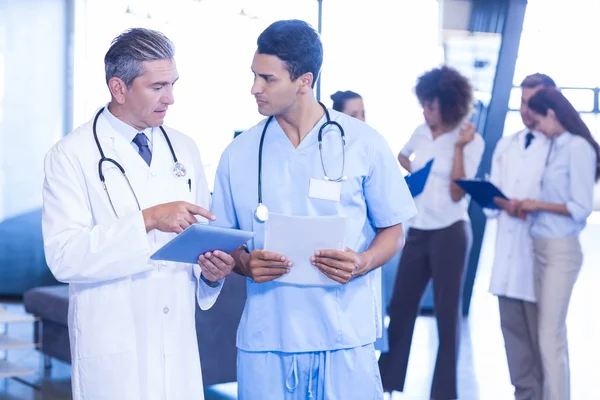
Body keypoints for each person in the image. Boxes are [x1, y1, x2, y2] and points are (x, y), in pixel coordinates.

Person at [210, 20, 417, 399]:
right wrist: (244, 263)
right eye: (254, 76)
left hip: (343, 335)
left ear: (304, 81)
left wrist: (363, 261)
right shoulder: (238, 154)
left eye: (268, 79)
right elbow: (224, 242)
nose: (254, 88)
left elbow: (394, 230)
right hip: (268, 335)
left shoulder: (364, 144)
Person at [42, 28, 235, 400]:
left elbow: (198, 241)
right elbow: (64, 258)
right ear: (119, 88)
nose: (171, 98)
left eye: (173, 84)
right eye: (158, 86)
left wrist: (211, 272)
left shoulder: (184, 149)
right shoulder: (71, 155)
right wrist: (147, 219)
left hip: (176, 347)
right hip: (114, 349)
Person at [378, 65, 485, 400]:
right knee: (400, 308)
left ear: (449, 105)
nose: (425, 110)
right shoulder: (421, 130)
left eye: (431, 105)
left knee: (447, 314)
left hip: (451, 231)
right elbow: (401, 155)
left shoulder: (470, 139)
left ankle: (444, 394)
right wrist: (417, 172)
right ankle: (387, 384)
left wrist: (456, 150)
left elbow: (457, 193)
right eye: (423, 104)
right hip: (418, 229)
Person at [516, 87, 599, 400]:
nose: (535, 128)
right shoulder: (553, 147)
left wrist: (535, 205)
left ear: (552, 113)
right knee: (547, 335)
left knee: (550, 337)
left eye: (537, 121)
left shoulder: (577, 148)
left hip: (560, 252)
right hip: (539, 247)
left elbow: (579, 207)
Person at [486, 73, 556, 400]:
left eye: (534, 103)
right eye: (522, 103)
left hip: (541, 263)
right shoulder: (506, 144)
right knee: (515, 349)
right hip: (507, 263)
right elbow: (492, 203)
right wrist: (501, 201)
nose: (527, 111)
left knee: (544, 352)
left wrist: (528, 206)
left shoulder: (560, 147)